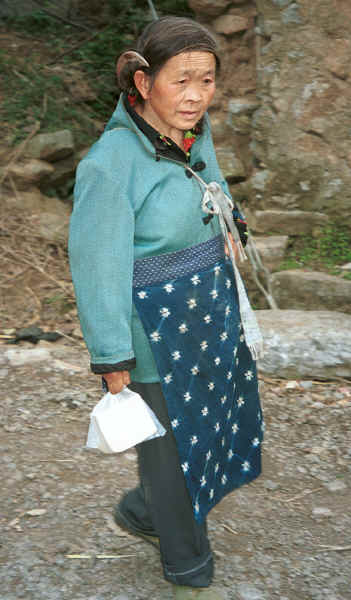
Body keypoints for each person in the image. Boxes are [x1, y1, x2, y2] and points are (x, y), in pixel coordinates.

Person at [69, 16, 264, 600]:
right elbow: (96, 264)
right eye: (181, 80)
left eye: (206, 80)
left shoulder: (189, 133)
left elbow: (210, 180)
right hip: (152, 328)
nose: (196, 95)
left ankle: (141, 509)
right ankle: (186, 566)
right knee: (175, 447)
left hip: (206, 312)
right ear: (144, 82)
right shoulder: (110, 165)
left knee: (194, 431)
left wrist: (230, 222)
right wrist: (110, 354)